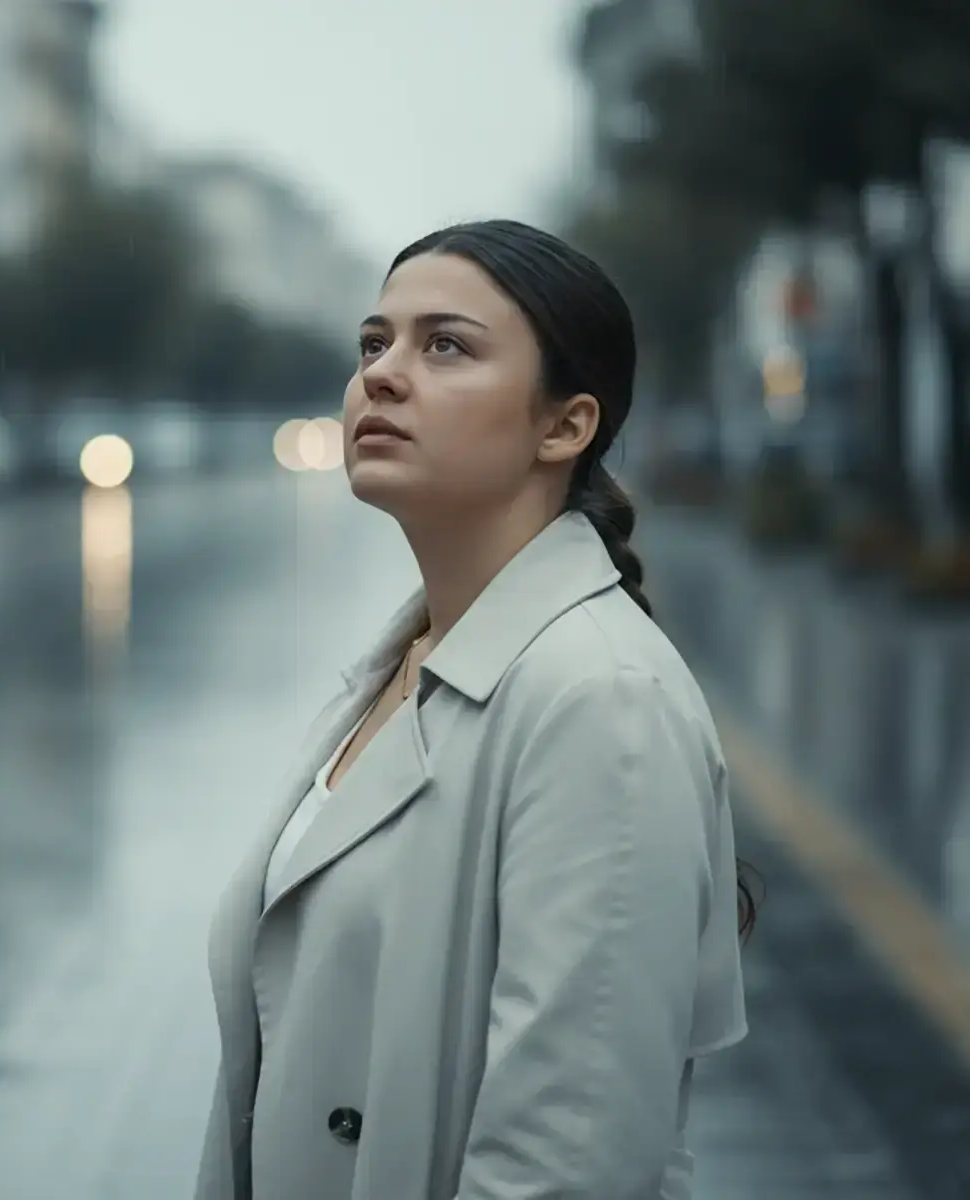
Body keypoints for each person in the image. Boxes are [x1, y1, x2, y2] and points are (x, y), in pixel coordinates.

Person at [195, 219, 754, 1200]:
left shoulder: (601, 701)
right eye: (374, 344)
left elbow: (567, 1161)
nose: (384, 375)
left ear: (565, 426)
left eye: (444, 345)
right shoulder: (401, 666)